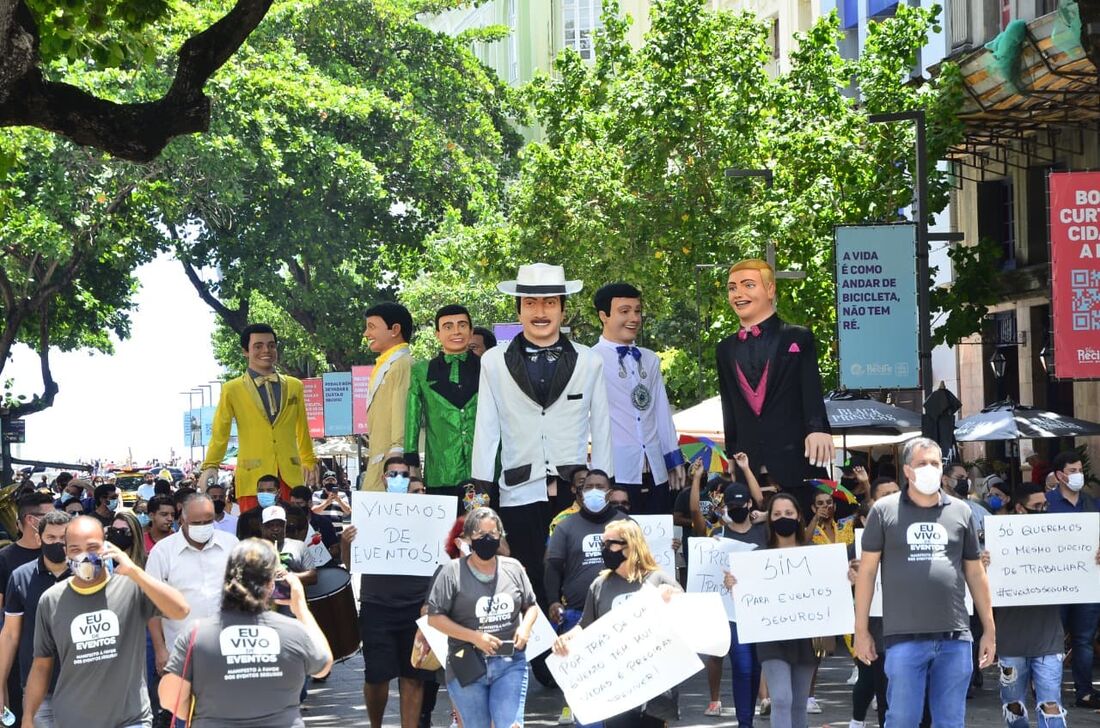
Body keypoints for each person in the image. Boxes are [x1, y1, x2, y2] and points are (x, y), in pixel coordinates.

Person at [471, 263, 613, 618]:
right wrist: (480, 502)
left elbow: (604, 427)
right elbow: (486, 431)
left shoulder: (588, 360)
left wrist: (606, 489)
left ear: (563, 309)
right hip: (518, 490)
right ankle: (542, 664)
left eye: (550, 303)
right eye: (531, 304)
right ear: (518, 309)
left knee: (580, 576)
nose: (540, 312)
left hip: (575, 491)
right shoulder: (493, 362)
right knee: (528, 577)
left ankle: (575, 654)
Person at [853, 437, 996, 727]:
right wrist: (861, 630)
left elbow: (975, 573)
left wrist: (989, 630)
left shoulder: (961, 511)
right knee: (902, 719)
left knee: (950, 721)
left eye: (934, 462)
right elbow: (866, 573)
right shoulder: (884, 511)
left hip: (955, 637)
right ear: (907, 470)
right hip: (903, 638)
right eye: (922, 463)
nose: (929, 468)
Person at [23, 516, 190, 728]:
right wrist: (28, 718)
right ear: (66, 552)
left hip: (131, 719)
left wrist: (134, 571)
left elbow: (181, 610)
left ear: (107, 547)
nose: (84, 556)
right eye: (75, 549)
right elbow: (41, 665)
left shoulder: (131, 588)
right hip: (73, 719)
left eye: (92, 547)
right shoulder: (51, 600)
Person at [158, 538, 333, 727]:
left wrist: (206, 716)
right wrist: (300, 609)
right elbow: (324, 666)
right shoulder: (294, 632)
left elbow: (169, 699)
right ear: (270, 583)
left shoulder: (197, 634)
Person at [716, 259, 832, 516]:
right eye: (732, 288)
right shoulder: (724, 349)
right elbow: (729, 406)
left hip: (794, 458)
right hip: (749, 464)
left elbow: (810, 386)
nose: (739, 294)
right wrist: (732, 453)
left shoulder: (798, 337)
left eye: (748, 285)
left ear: (770, 290)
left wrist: (818, 429)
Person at [552, 518, 681, 727]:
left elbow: (687, 617)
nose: (605, 549)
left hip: (654, 682)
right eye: (603, 544)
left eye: (610, 543)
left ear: (630, 546)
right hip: (616, 683)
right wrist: (566, 638)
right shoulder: (600, 584)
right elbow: (585, 626)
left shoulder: (657, 579)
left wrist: (672, 598)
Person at [340, 457, 431, 728]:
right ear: (383, 478)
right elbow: (351, 564)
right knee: (376, 676)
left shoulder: (428, 513)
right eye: (394, 474)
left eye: (405, 474)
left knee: (413, 675)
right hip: (376, 604)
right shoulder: (369, 511)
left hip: (416, 605)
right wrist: (346, 543)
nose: (399, 479)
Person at [427, 507, 540, 728]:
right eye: (480, 535)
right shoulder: (452, 572)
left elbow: (531, 606)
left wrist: (525, 627)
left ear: (500, 536)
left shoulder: (514, 568)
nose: (487, 539)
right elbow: (435, 618)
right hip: (467, 662)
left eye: (492, 534)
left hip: (509, 661)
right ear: (469, 538)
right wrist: (474, 637)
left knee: (509, 724)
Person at [980, 484, 1081, 728]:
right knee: (1013, 703)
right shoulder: (995, 541)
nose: (1043, 510)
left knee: (1051, 703)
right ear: (1019, 508)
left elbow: (1079, 566)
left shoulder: (1059, 538)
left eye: (1045, 506)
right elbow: (975, 586)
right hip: (1011, 638)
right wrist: (981, 566)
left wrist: (1092, 558)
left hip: (1048, 636)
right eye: (1037, 506)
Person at [199, 323, 319, 511]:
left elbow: (302, 427)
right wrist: (211, 464)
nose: (266, 350)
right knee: (254, 533)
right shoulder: (232, 389)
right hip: (252, 478)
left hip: (290, 476)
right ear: (245, 351)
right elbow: (220, 431)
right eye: (258, 346)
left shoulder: (295, 386)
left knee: (294, 531)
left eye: (271, 345)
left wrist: (309, 460)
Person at [722, 493, 816, 728]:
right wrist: (734, 587)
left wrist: (849, 576)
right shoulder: (757, 558)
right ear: (769, 520)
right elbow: (748, 600)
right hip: (772, 638)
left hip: (807, 637)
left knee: (798, 703)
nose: (783, 518)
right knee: (782, 699)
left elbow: (832, 587)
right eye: (777, 514)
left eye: (788, 513)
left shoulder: (815, 553)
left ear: (798, 517)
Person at [591, 283, 684, 514]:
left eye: (637, 310)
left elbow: (661, 412)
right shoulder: (590, 360)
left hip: (655, 469)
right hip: (616, 471)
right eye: (624, 311)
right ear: (604, 316)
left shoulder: (650, 359)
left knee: (658, 540)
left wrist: (673, 459)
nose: (634, 318)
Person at [545, 469, 627, 726]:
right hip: (578, 619)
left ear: (609, 492)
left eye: (599, 486)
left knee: (620, 688)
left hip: (620, 617)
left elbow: (643, 566)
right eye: (588, 486)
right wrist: (553, 601)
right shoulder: (565, 526)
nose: (593, 490)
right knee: (586, 691)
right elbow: (552, 566)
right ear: (580, 492)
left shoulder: (626, 524)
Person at [687, 460, 765, 724]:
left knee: (756, 668)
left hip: (760, 610)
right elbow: (696, 514)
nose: (739, 509)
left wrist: (745, 469)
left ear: (750, 506)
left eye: (742, 505)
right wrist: (696, 479)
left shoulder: (764, 531)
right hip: (730, 614)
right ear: (726, 508)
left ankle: (748, 717)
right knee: (743, 667)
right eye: (733, 506)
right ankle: (745, 722)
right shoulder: (716, 533)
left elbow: (766, 502)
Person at [146, 494, 238, 695]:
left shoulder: (231, 544)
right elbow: (152, 606)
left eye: (208, 521)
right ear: (182, 520)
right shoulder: (162, 552)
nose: (203, 527)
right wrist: (160, 650)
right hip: (182, 654)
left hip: (228, 649)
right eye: (197, 523)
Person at [0, 511, 70, 727]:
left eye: (64, 539)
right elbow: (10, 634)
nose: (58, 543)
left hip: (83, 686)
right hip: (38, 688)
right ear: (39, 539)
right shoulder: (21, 576)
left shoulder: (87, 575)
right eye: (51, 538)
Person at [405, 304, 481, 496]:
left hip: (485, 469)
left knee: (486, 525)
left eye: (462, 325)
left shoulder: (488, 366)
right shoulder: (421, 371)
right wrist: (413, 469)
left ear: (471, 331)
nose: (456, 331)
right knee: (447, 527)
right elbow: (412, 418)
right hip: (440, 470)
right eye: (448, 326)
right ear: (437, 334)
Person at [1045, 450, 1099, 709]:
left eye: (1080, 470)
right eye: (1072, 471)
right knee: (1053, 640)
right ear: (1059, 475)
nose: (1078, 475)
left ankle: (1085, 692)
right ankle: (1048, 691)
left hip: (1087, 584)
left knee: (1083, 640)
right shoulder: (1046, 503)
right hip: (1055, 586)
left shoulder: (1093, 503)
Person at [846, 476, 899, 728]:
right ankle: (859, 721)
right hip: (875, 629)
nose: (892, 500)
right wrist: (850, 579)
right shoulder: (853, 549)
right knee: (877, 684)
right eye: (884, 496)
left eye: (896, 493)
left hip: (915, 628)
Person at [362, 302, 414, 491]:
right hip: (380, 461)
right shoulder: (388, 364)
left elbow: (403, 412)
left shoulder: (403, 363)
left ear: (395, 330)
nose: (366, 334)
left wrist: (396, 454)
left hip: (391, 465)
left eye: (372, 327)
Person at [235, 475, 285, 540]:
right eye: (261, 491)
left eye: (270, 490)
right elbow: (243, 544)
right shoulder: (246, 517)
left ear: (279, 493)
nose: (265, 493)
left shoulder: (289, 513)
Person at [548, 467, 587, 538]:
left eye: (590, 482)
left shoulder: (607, 515)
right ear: (573, 489)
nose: (587, 486)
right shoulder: (562, 520)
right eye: (582, 482)